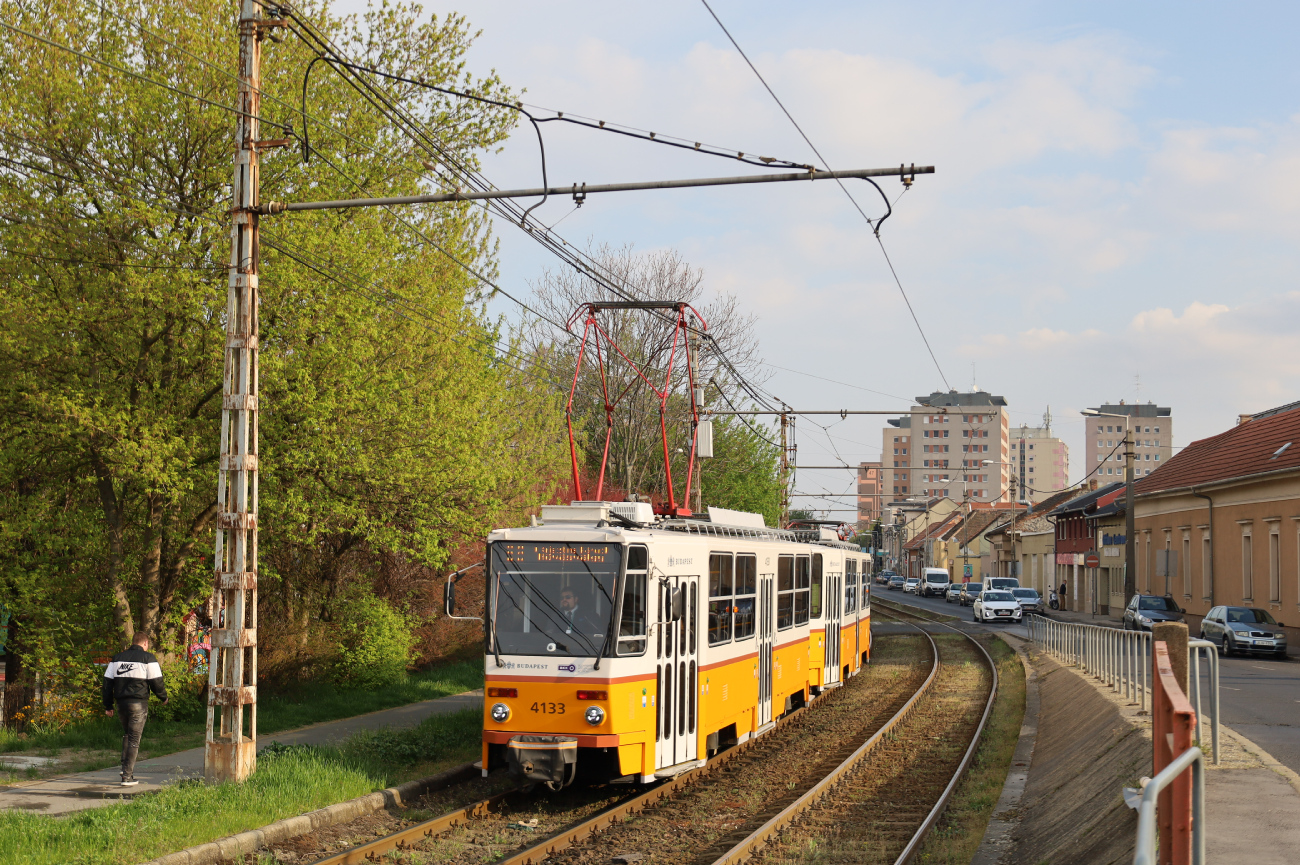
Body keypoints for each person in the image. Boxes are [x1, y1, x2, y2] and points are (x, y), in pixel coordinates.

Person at [102, 633, 168, 787]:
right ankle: (127, 776)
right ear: (145, 643)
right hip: (138, 703)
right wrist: (163, 697)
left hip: (121, 704)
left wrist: (108, 705)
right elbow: (157, 682)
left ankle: (124, 768)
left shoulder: (117, 658)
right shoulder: (148, 658)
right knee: (134, 739)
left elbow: (107, 683)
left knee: (128, 734)